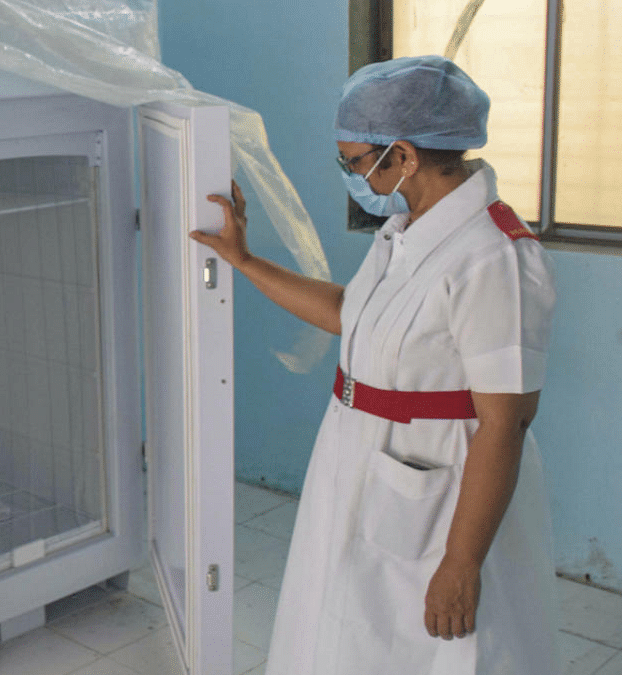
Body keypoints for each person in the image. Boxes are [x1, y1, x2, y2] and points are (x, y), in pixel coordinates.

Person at [191, 55, 558, 675]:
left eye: (356, 160)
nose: (351, 173)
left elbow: (506, 423)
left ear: (405, 155)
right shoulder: (404, 231)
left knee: (440, 646)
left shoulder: (494, 257)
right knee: (347, 631)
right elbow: (350, 313)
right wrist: (246, 262)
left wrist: (461, 562)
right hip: (359, 452)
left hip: (437, 483)